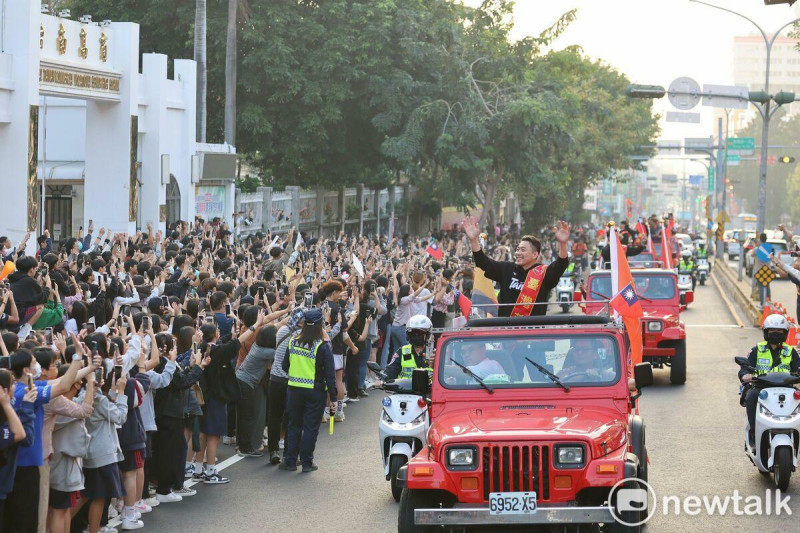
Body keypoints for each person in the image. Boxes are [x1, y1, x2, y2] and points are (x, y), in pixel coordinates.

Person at [461, 216, 570, 316]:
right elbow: (482, 262)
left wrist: (563, 244)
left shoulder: (543, 273)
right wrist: (473, 240)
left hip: (533, 332)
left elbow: (560, 265)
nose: (518, 253)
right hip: (507, 332)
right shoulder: (506, 268)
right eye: (517, 249)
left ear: (535, 254)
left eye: (523, 250)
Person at [280, 309, 337, 473]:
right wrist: (333, 398)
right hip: (314, 391)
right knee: (311, 428)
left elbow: (285, 366)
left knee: (294, 425)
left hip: (293, 390)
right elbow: (330, 375)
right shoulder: (322, 345)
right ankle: (306, 462)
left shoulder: (293, 341)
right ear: (320, 325)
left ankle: (290, 460)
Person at [739, 314, 800, 448]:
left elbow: (798, 368)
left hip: (787, 388)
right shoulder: (757, 350)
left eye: (780, 331)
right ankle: (754, 434)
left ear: (785, 333)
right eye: (772, 331)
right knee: (751, 397)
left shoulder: (791, 352)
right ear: (766, 332)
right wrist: (745, 375)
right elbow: (744, 368)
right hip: (761, 388)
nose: (776, 334)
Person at [383, 315, 433, 381]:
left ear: (427, 335)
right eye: (413, 333)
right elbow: (391, 370)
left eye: (420, 333)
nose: (416, 336)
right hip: (403, 390)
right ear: (408, 335)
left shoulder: (434, 354)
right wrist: (382, 380)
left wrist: (434, 365)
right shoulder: (403, 351)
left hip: (428, 390)